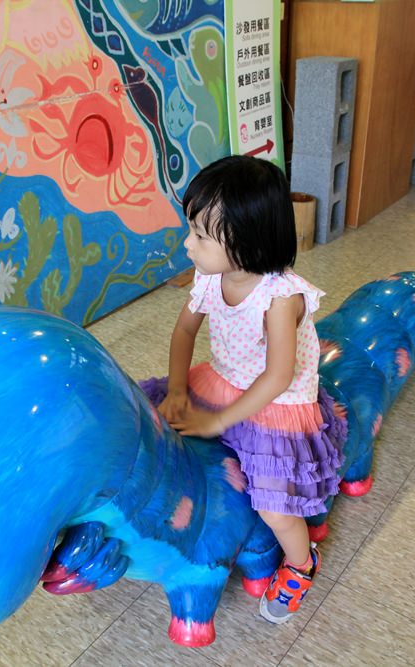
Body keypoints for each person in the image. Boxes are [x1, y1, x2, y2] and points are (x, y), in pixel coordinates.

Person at [141, 155, 344, 625]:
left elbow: (276, 377)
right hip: (226, 379)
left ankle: (301, 563)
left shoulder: (280, 297)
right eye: (191, 229)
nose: (187, 244)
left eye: (200, 236)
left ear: (246, 241)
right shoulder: (211, 274)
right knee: (155, 418)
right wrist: (176, 389)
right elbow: (184, 333)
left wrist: (214, 421)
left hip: (277, 403)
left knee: (275, 506)